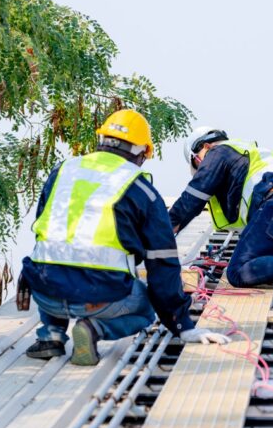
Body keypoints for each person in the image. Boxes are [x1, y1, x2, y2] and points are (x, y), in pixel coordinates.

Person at [21, 110, 229, 365]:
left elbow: (45, 233)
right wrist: (182, 325)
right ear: (141, 153)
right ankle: (93, 330)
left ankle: (51, 336)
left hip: (44, 292)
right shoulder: (141, 189)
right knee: (147, 305)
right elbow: (161, 264)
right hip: (98, 300)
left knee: (55, 262)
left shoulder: (62, 171)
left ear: (101, 141)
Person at [169, 127, 273, 302]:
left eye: (197, 163)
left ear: (206, 147)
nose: (202, 168)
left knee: (238, 270)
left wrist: (163, 230)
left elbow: (192, 198)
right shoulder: (257, 156)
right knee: (265, 262)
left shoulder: (219, 151)